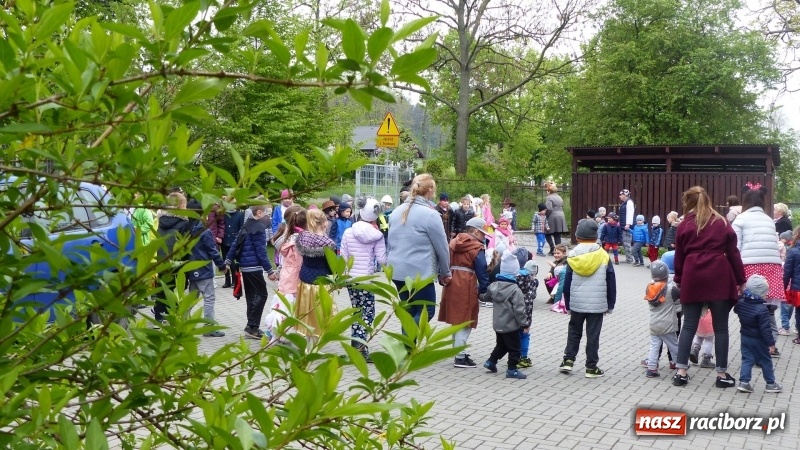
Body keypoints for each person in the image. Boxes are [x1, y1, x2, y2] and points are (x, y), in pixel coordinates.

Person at [672, 186, 746, 388]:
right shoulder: (721, 222)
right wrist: (741, 279)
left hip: (692, 275)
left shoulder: (684, 224)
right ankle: (721, 375)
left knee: (688, 325)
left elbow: (679, 256)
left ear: (688, 202)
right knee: (721, 328)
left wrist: (679, 278)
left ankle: (681, 372)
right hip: (719, 275)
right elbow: (733, 253)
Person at [387, 174, 451, 330]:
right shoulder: (431, 215)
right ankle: (403, 345)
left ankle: (407, 352)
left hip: (396, 271)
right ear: (430, 190)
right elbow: (442, 247)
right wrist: (446, 272)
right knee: (426, 312)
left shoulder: (396, 212)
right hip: (419, 273)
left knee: (409, 313)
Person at [558, 219, 616, 378]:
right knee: (593, 334)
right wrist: (610, 303)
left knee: (574, 331)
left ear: (577, 237)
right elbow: (611, 279)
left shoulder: (572, 255)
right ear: (596, 236)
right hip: (597, 304)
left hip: (577, 302)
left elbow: (567, 282)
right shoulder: (603, 255)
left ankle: (568, 361)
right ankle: (591, 367)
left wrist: (567, 303)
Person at [731, 184, 785, 355]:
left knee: (749, 309)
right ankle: (770, 344)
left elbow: (735, 247)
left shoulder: (740, 219)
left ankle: (754, 346)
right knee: (767, 310)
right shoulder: (769, 220)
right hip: (772, 267)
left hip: (749, 266)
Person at [340, 197, 387, 361]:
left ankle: (355, 344)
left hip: (351, 279)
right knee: (368, 313)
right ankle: (360, 347)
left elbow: (343, 256)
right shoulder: (377, 236)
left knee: (356, 311)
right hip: (366, 279)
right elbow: (382, 260)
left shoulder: (348, 232)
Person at [439, 217, 490, 368]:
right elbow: (482, 268)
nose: (484, 237)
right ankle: (460, 357)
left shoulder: (453, 242)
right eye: (483, 233)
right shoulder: (476, 247)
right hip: (466, 282)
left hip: (451, 280)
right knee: (466, 319)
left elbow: (442, 259)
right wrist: (484, 289)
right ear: (475, 231)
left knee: (456, 318)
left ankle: (457, 351)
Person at [225, 203, 278, 339]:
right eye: (268, 213)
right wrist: (270, 271)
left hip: (245, 267)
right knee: (262, 295)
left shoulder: (246, 224)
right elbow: (261, 252)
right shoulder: (259, 228)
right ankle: (252, 327)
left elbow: (235, 245)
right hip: (254, 267)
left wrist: (227, 262)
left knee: (251, 296)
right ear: (259, 213)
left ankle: (251, 325)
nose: (269, 217)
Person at [482, 250, 530, 379]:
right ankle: (512, 369)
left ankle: (491, 362)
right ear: (515, 273)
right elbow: (519, 310)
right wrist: (524, 324)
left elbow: (485, 297)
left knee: (502, 345)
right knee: (515, 348)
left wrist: (478, 293)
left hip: (497, 324)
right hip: (510, 325)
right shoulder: (516, 290)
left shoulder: (493, 286)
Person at [734, 275, 783, 393]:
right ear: (760, 293)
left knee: (747, 359)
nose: (766, 295)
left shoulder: (741, 303)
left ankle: (744, 382)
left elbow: (736, 309)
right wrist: (771, 344)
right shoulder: (762, 310)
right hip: (758, 339)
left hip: (745, 336)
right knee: (765, 360)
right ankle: (771, 383)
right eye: (765, 292)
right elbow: (765, 329)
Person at [263, 205, 305, 342]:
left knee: (281, 305)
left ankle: (275, 334)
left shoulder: (287, 237)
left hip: (286, 277)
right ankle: (279, 334)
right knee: (289, 307)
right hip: (294, 278)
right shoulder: (298, 240)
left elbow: (282, 260)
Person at [294, 209, 337, 338]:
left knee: (305, 311)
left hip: (305, 279)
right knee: (319, 314)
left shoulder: (303, 237)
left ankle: (304, 340)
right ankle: (315, 343)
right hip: (321, 283)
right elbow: (331, 265)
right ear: (324, 223)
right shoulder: (328, 243)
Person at [152, 192, 193, 324]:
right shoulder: (184, 222)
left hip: (162, 257)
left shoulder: (161, 221)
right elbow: (186, 244)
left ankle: (159, 315)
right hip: (178, 259)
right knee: (179, 287)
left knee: (163, 286)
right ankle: (172, 314)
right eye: (185, 205)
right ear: (181, 205)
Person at [187, 217, 228, 337]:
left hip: (191, 268)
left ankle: (183, 322)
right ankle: (209, 327)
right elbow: (212, 251)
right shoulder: (205, 231)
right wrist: (222, 266)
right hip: (204, 269)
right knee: (209, 299)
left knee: (191, 299)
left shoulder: (187, 230)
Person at [643, 260, 679, 378]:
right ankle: (680, 365)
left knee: (654, 346)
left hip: (654, 324)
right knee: (674, 346)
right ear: (667, 274)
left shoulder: (649, 288)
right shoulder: (671, 290)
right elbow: (681, 298)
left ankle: (651, 369)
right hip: (668, 324)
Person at [516, 260, 538, 368]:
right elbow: (532, 297)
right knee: (525, 335)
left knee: (515, 335)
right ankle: (523, 357)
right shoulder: (533, 283)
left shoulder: (516, 279)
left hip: (514, 314)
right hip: (526, 315)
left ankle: (514, 356)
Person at [784, 226, 800, 344]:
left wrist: (783, 288)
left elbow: (787, 272)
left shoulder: (793, 251)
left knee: (799, 312)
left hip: (798, 287)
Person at [544, 183, 567, 256]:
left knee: (547, 233)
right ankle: (559, 250)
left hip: (553, 216)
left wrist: (546, 215)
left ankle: (552, 248)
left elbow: (549, 208)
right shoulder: (559, 197)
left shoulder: (549, 197)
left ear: (549, 191)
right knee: (557, 234)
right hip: (561, 215)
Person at [618, 189, 636, 263]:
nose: (620, 196)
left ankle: (629, 259)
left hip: (627, 226)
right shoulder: (625, 203)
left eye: (621, 195)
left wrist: (628, 224)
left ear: (625, 195)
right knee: (625, 242)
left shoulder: (629, 203)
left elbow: (630, 214)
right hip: (624, 225)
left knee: (627, 242)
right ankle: (628, 258)